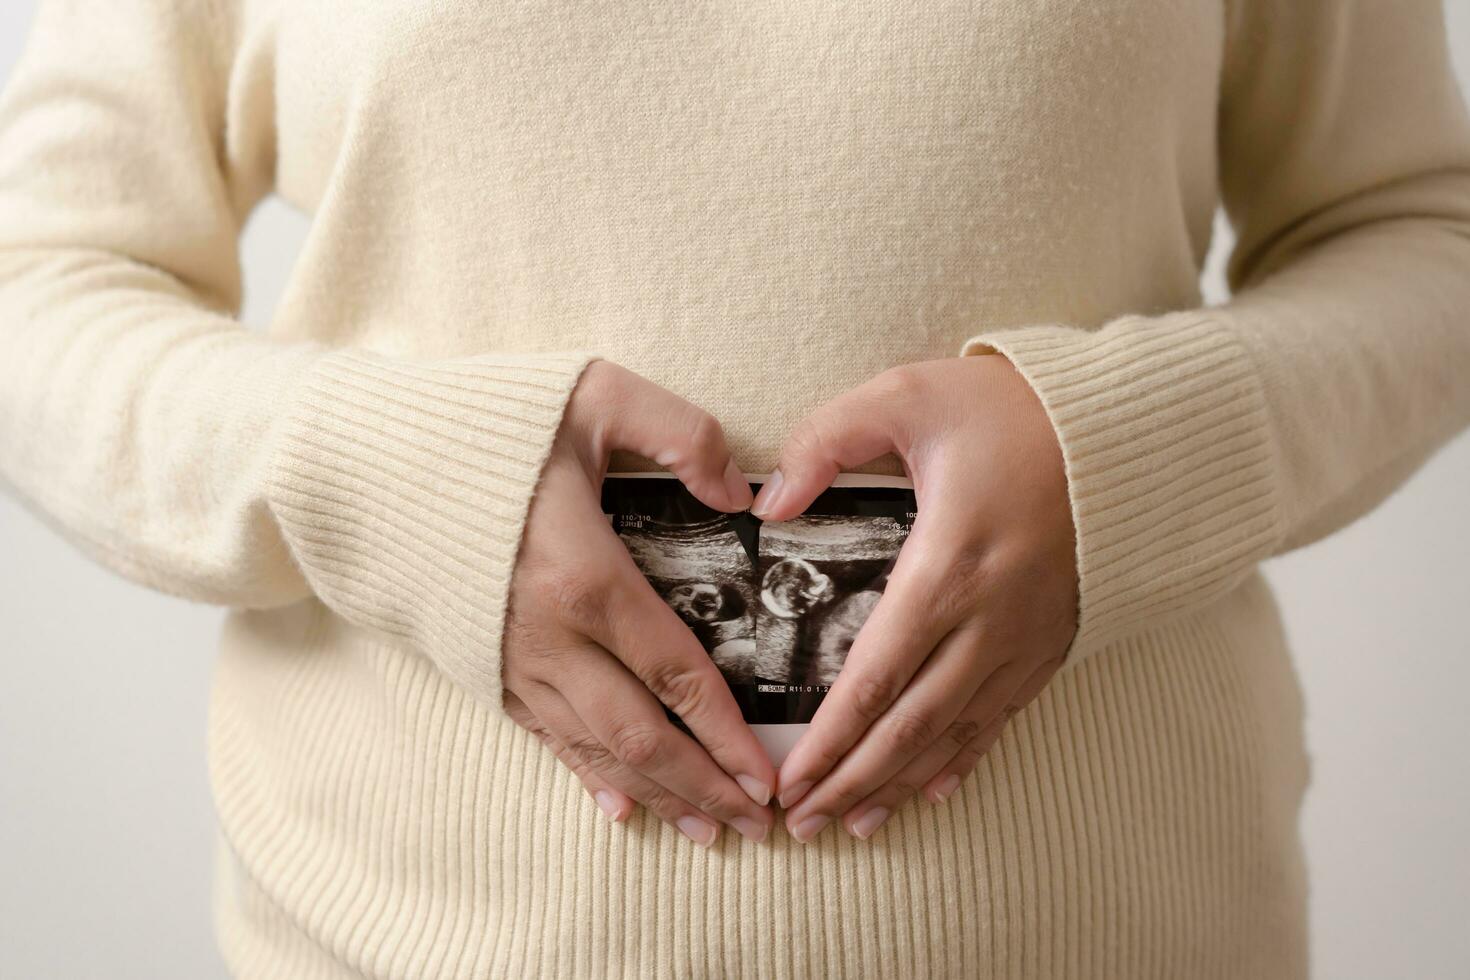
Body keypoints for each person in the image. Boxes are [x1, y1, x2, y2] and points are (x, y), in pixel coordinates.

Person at [2, 0, 1467, 976]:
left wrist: (1133, 454)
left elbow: (1418, 227)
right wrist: (395, 485)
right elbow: (35, 282)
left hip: (1127, 935)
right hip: (400, 939)